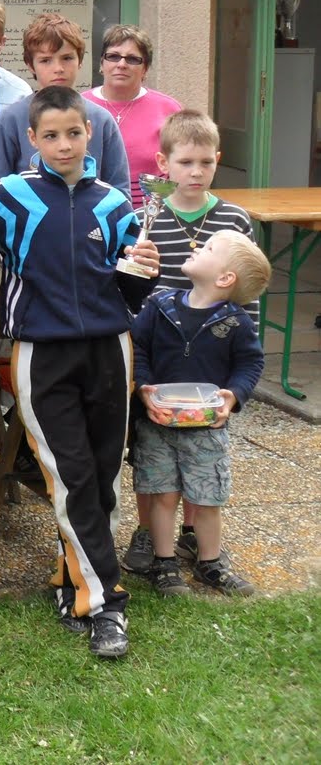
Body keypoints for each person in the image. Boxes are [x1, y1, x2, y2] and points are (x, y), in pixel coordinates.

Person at [0, 85, 159, 659]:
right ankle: (104, 604)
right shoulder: (6, 197)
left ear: (91, 134)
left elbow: (130, 282)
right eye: (51, 135)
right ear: (31, 139)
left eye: (74, 134)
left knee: (103, 479)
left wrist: (145, 268)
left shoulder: (113, 201)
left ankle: (70, 578)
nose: (64, 145)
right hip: (42, 352)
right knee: (72, 475)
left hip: (111, 350)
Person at [120, 109, 259, 578]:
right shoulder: (145, 217)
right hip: (158, 353)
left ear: (217, 160)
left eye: (205, 162)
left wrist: (236, 378)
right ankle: (148, 532)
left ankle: (195, 538)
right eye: (185, 162)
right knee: (150, 455)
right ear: (163, 163)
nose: (195, 172)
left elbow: (247, 296)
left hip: (210, 358)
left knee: (203, 457)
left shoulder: (234, 218)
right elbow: (132, 291)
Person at [131, 230, 268, 597]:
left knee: (207, 498)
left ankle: (209, 563)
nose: (196, 246)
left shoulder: (236, 322)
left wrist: (232, 397)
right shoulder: (160, 307)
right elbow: (138, 349)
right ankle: (164, 564)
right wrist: (143, 387)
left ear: (225, 279)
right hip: (157, 422)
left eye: (208, 248)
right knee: (161, 494)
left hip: (206, 428)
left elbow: (250, 364)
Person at [0, 14, 131, 198]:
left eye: (67, 58)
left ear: (80, 60)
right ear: (30, 65)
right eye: (46, 60)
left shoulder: (101, 119)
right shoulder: (10, 120)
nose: (58, 68)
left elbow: (119, 191)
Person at [84, 25, 183, 208]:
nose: (121, 64)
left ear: (145, 68)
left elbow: (183, 165)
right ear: (101, 63)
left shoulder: (168, 109)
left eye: (132, 59)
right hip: (91, 215)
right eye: (113, 56)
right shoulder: (79, 106)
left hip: (151, 217)